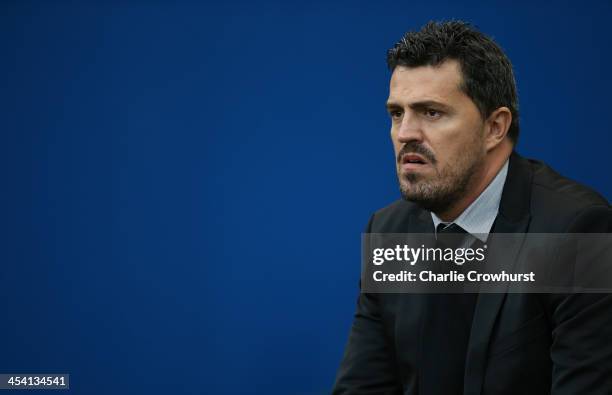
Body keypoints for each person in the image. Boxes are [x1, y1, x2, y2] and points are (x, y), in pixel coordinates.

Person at [332, 21, 612, 394]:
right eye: (397, 113)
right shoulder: (389, 230)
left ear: (495, 127)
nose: (405, 133)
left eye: (431, 112)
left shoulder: (574, 230)